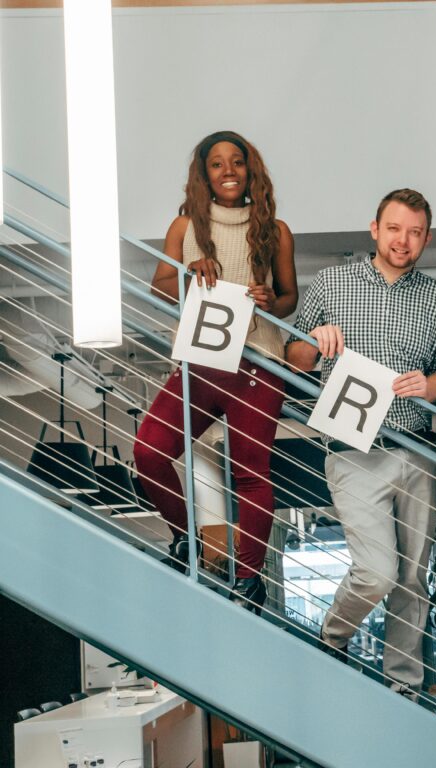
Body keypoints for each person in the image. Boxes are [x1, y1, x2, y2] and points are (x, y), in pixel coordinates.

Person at [285, 188, 436, 697]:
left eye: (416, 232)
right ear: (375, 229)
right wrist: (316, 342)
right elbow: (293, 354)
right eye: (395, 228)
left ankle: (403, 688)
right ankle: (332, 639)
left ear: (426, 238)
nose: (404, 240)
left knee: (413, 579)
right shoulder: (332, 283)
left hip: (417, 448)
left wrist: (431, 385)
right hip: (353, 449)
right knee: (377, 572)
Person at [134, 130, 297, 613]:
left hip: (258, 364)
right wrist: (188, 272)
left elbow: (289, 298)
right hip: (201, 360)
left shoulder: (276, 229)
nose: (228, 171)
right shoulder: (185, 227)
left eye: (237, 162)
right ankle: (186, 538)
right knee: (149, 452)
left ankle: (248, 580)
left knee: (250, 474)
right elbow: (161, 288)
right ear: (204, 175)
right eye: (217, 164)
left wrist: (271, 301)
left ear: (251, 170)